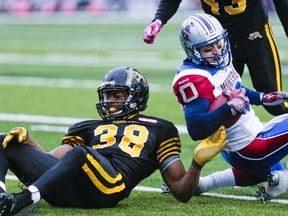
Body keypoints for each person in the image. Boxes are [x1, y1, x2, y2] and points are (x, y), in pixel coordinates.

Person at [0, 66, 228, 215]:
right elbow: (53, 163)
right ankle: (1, 197)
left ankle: (23, 200)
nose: (110, 101)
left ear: (136, 97)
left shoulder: (161, 129)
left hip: (110, 186)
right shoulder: (86, 127)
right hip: (67, 189)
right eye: (107, 95)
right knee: (5, 141)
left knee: (81, 153)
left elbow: (181, 191)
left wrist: (197, 164)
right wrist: (28, 142)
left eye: (117, 96)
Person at [170, 13, 288, 202]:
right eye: (208, 49)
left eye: (218, 44)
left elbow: (236, 90)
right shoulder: (194, 78)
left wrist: (262, 97)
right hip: (248, 149)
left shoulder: (218, 63)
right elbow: (195, 128)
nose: (217, 52)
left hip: (250, 143)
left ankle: (203, 184)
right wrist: (229, 110)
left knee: (270, 171)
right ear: (192, 50)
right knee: (277, 169)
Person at [143, 0, 288, 116]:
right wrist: (159, 20)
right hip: (218, 42)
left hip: (255, 33)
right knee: (219, 101)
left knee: (274, 101)